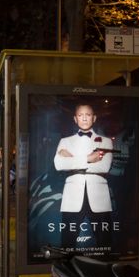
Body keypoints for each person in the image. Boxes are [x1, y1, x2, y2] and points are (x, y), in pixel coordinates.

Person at [54, 103, 114, 250]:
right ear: (75, 119)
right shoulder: (65, 141)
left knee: (104, 241)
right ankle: (67, 271)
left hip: (99, 197)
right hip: (72, 197)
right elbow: (58, 165)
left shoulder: (106, 141)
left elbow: (104, 166)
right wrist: (88, 158)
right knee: (68, 240)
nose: (84, 118)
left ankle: (103, 271)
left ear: (94, 118)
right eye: (80, 115)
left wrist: (72, 159)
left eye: (88, 115)